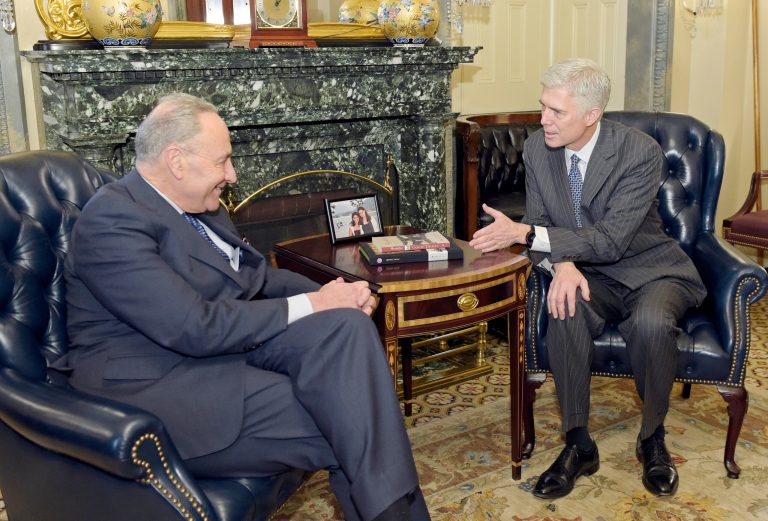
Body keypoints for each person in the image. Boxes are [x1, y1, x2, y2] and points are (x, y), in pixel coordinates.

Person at [53, 93, 431, 521]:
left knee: (346, 327)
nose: (232, 175)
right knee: (348, 419)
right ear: (176, 161)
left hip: (217, 354)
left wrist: (337, 294)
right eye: (223, 161)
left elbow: (258, 278)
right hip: (154, 383)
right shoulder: (112, 220)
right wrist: (314, 303)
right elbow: (193, 326)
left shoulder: (200, 206)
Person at [469, 58, 706, 499]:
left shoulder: (639, 152)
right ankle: (578, 444)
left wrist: (524, 234)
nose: (543, 119)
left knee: (651, 324)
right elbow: (543, 221)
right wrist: (562, 265)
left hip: (650, 271)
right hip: (585, 273)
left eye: (557, 111)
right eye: (543, 106)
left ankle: (652, 438)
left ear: (592, 114)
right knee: (564, 306)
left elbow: (611, 240)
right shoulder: (538, 149)